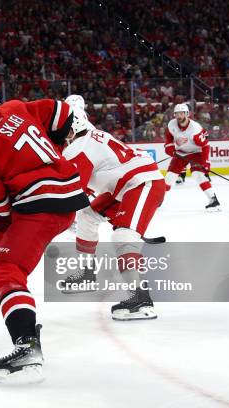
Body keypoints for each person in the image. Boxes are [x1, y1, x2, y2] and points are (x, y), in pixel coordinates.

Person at [0, 81, 88, 384]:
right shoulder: (15, 108)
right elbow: (61, 111)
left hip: (40, 207)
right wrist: (58, 145)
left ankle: (27, 348)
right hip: (63, 195)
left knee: (8, 269)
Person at [61, 95, 165, 321]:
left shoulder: (78, 147)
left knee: (123, 235)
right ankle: (87, 274)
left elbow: (73, 192)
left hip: (141, 183)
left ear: (74, 127)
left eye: (63, 130)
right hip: (124, 185)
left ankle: (141, 300)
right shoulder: (88, 138)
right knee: (87, 216)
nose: (60, 135)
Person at [164, 104, 220, 210]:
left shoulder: (194, 129)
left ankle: (213, 200)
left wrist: (206, 163)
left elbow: (205, 145)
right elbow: (169, 138)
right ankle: (158, 199)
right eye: (177, 114)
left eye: (181, 113)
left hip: (196, 153)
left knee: (198, 175)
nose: (179, 116)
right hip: (180, 153)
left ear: (187, 114)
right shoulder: (171, 124)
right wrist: (169, 147)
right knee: (169, 178)